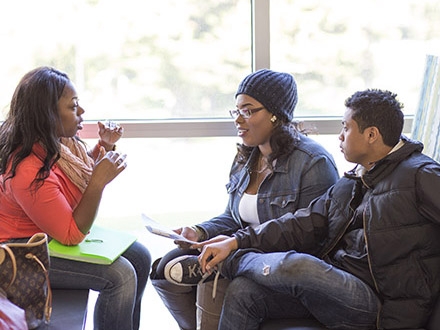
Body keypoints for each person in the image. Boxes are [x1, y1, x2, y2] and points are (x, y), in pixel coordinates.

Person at [179, 88, 440, 330]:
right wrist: (236, 240)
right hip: (336, 286)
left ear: (371, 135)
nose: (340, 136)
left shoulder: (420, 175)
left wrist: (233, 251)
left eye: (346, 128)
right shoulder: (355, 179)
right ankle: (230, 259)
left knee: (300, 266)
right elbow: (303, 221)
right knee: (244, 291)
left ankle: (226, 263)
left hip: (376, 303)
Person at [150, 69, 340, 330]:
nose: (238, 120)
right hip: (244, 248)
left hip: (281, 264)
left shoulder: (312, 162)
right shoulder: (246, 158)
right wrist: (199, 231)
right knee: (166, 265)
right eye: (236, 111)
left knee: (225, 279)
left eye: (248, 111)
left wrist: (236, 245)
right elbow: (233, 216)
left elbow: (311, 235)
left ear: (275, 114)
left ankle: (225, 267)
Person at [0, 66, 151, 330]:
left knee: (141, 256)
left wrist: (104, 147)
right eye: (73, 107)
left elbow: (67, 183)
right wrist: (98, 183)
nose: (81, 113)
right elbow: (70, 234)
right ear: (47, 115)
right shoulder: (27, 169)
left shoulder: (55, 145)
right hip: (19, 251)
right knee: (121, 276)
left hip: (44, 234)